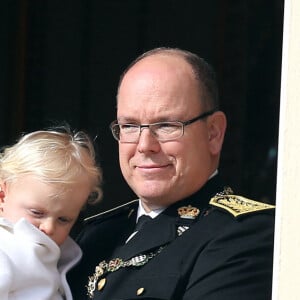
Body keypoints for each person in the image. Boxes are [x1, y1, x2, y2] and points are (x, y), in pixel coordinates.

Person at [68, 47, 275, 300]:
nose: (145, 145)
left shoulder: (245, 234)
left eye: (166, 125)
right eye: (130, 126)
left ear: (213, 133)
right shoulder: (94, 234)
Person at [0, 125, 102, 300]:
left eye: (63, 219)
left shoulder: (60, 253)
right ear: (2, 196)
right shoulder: (5, 248)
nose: (48, 227)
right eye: (37, 213)